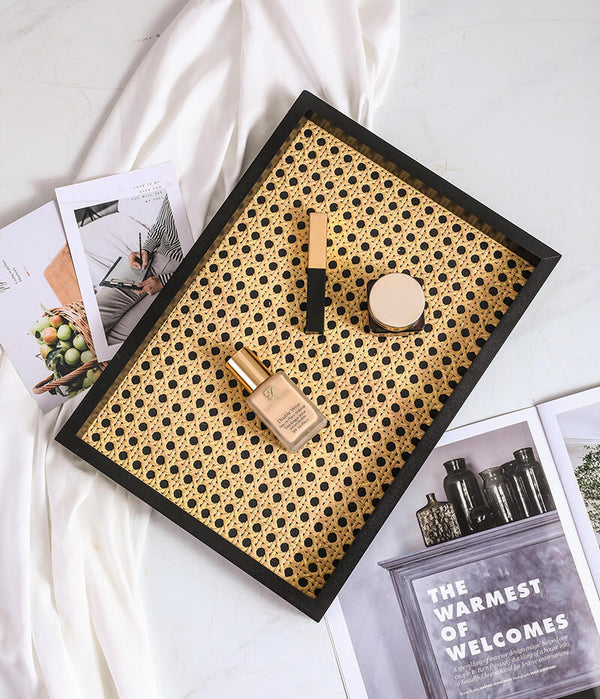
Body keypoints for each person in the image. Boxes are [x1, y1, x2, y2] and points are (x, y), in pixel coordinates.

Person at [96, 194, 183, 345]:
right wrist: (146, 249)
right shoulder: (178, 181)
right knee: (95, 316)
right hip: (151, 258)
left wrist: (166, 280)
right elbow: (160, 226)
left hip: (180, 273)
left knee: (120, 340)